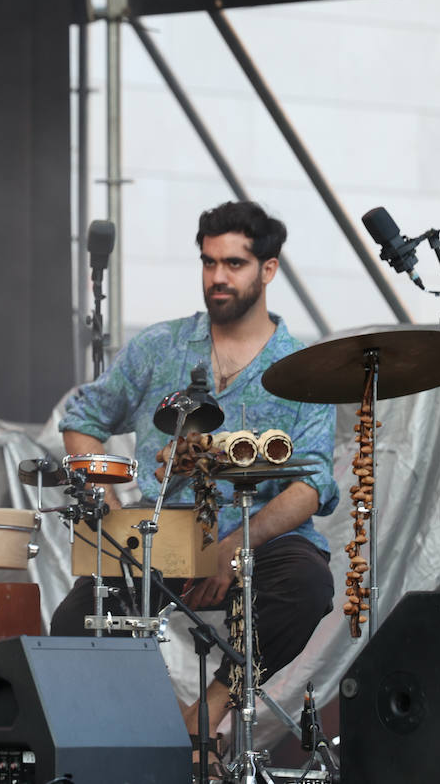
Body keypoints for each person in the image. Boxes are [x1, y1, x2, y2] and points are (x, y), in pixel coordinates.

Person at [49, 200, 336, 747]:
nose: (217, 277)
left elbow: (312, 484)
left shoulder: (302, 366)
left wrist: (235, 547)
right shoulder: (160, 347)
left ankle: (208, 711)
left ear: (268, 269)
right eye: (208, 263)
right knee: (76, 622)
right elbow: (82, 420)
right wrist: (111, 509)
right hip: (165, 536)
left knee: (306, 585)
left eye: (234, 264)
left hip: (261, 541)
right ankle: (160, 718)